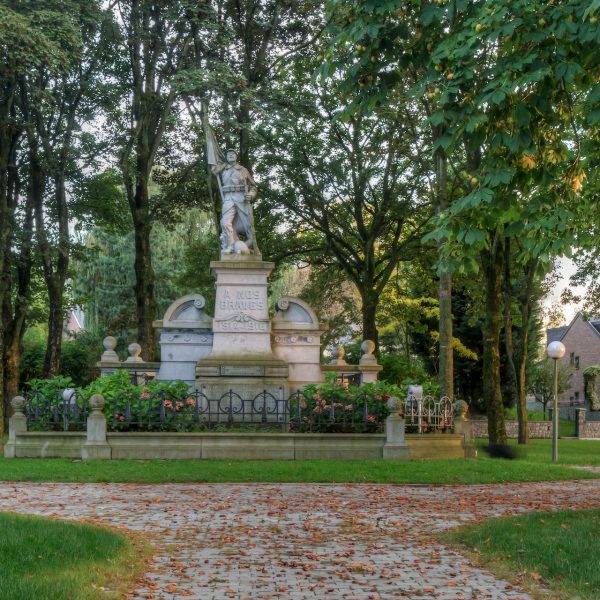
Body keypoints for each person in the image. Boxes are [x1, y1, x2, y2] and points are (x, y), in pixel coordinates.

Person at [211, 149, 258, 254]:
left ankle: (250, 246)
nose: (230, 155)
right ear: (226, 157)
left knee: (249, 225)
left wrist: (251, 195)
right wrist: (219, 165)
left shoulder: (243, 170)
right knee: (225, 222)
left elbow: (253, 186)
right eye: (228, 154)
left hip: (241, 198)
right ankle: (231, 246)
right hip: (228, 197)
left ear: (236, 157)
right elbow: (214, 170)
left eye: (233, 154)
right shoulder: (223, 169)